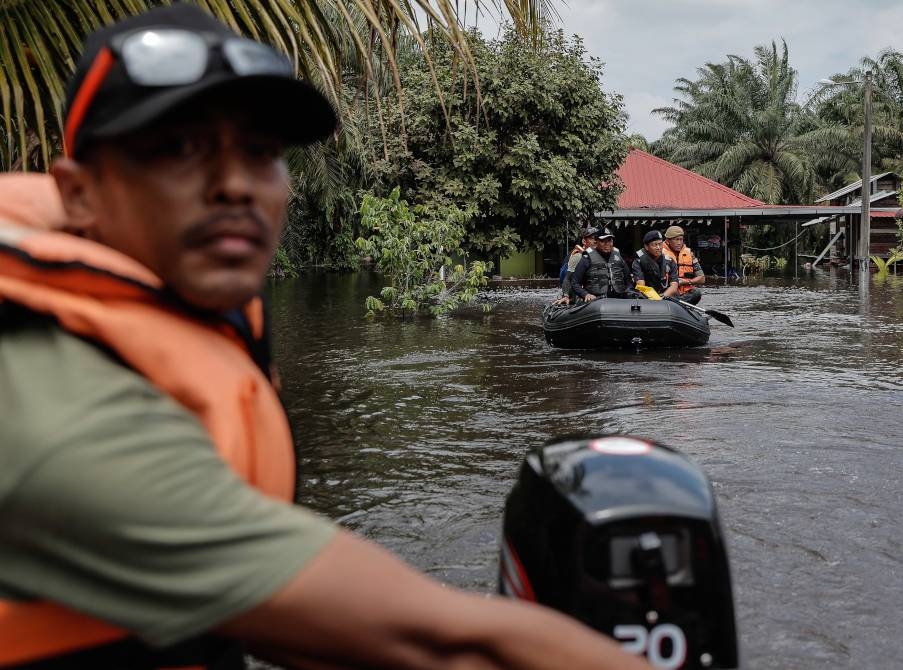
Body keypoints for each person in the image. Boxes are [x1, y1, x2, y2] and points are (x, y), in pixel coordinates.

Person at [0, 5, 652, 670]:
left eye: (260, 152)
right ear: (76, 196)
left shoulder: (176, 312)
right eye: (180, 148)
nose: (234, 186)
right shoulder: (58, 418)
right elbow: (447, 647)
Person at [570, 227, 634, 302]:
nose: (607, 244)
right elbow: (575, 283)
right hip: (596, 301)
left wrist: (628, 291)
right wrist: (585, 294)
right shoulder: (587, 258)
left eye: (610, 241)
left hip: (618, 299)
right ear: (596, 242)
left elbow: (629, 280)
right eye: (603, 241)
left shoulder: (618, 257)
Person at [553, 225, 598, 305]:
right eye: (592, 238)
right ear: (584, 241)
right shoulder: (578, 256)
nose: (595, 241)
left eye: (597, 238)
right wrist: (566, 295)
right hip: (577, 292)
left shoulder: (601, 256)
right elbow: (567, 278)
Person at [663, 225, 706, 305]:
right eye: (676, 240)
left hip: (683, 293)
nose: (679, 243)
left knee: (696, 293)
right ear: (668, 240)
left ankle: (678, 306)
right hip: (667, 291)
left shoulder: (689, 254)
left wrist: (685, 282)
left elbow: (702, 279)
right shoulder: (660, 253)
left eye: (681, 240)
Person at [631, 229, 679, 299]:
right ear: (646, 247)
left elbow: (674, 286)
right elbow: (641, 286)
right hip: (647, 297)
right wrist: (655, 298)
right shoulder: (638, 262)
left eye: (660, 244)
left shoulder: (670, 261)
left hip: (665, 296)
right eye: (655, 245)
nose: (658, 248)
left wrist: (663, 296)